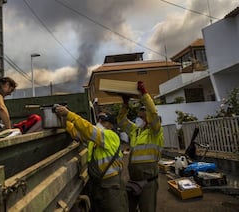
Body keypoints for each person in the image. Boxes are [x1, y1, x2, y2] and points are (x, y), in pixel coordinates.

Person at [54, 106, 128, 211]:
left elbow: (88, 129)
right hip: (98, 186)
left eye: (104, 122)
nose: (100, 123)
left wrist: (69, 115)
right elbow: (78, 133)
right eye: (99, 120)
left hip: (111, 187)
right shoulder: (95, 141)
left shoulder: (111, 136)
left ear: (111, 125)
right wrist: (64, 122)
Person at [117, 81, 163, 212]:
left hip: (148, 182)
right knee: (129, 208)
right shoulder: (135, 131)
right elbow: (120, 121)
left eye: (142, 117)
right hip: (134, 180)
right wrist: (125, 104)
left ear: (148, 119)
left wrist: (144, 94)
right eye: (138, 117)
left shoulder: (155, 132)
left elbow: (153, 112)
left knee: (147, 209)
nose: (138, 120)